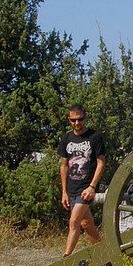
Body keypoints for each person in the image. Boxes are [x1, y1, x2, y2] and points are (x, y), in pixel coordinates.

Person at [58, 105, 106, 257]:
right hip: (72, 187)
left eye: (80, 120)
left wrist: (92, 186)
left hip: (86, 188)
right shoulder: (66, 138)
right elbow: (64, 165)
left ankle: (66, 258)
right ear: (69, 120)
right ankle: (106, 257)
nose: (77, 123)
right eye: (73, 120)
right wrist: (64, 192)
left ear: (85, 119)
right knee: (87, 224)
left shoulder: (95, 137)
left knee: (74, 222)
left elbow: (101, 162)